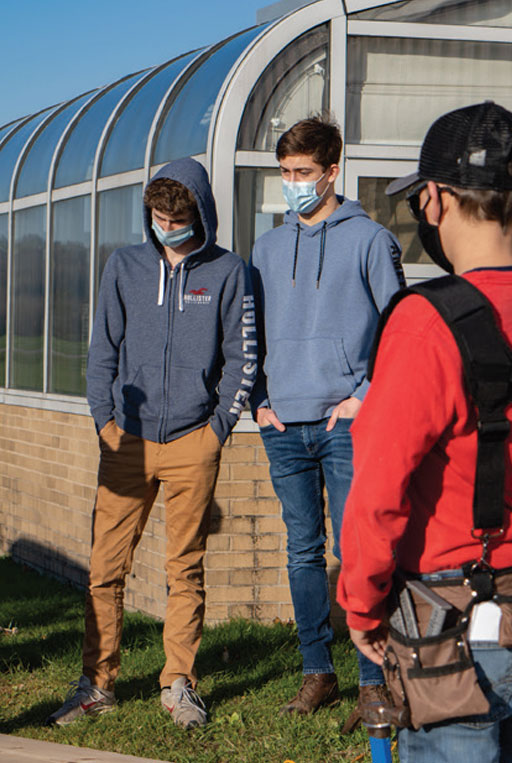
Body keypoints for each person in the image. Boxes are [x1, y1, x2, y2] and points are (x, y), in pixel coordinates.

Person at [47, 157, 256, 729]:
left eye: (177, 215)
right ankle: (97, 683)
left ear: (199, 214)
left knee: (184, 568)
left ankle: (178, 684)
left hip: (194, 441)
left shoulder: (228, 272)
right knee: (104, 570)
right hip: (127, 444)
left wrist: (217, 430)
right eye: (158, 215)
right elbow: (102, 352)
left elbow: (242, 357)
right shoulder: (124, 266)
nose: (167, 223)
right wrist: (104, 424)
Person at [338, 101, 512, 761]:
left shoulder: (426, 323)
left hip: (453, 627)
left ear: (434, 199)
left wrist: (362, 604)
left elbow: (379, 485)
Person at [248, 115, 405, 719]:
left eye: (303, 173)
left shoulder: (368, 240)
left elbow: (396, 329)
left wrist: (362, 395)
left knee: (356, 549)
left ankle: (373, 679)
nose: (292, 183)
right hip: (283, 423)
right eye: (285, 173)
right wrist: (259, 401)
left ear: (332, 170)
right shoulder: (266, 245)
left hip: (344, 424)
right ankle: (317, 673)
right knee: (302, 551)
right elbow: (251, 333)